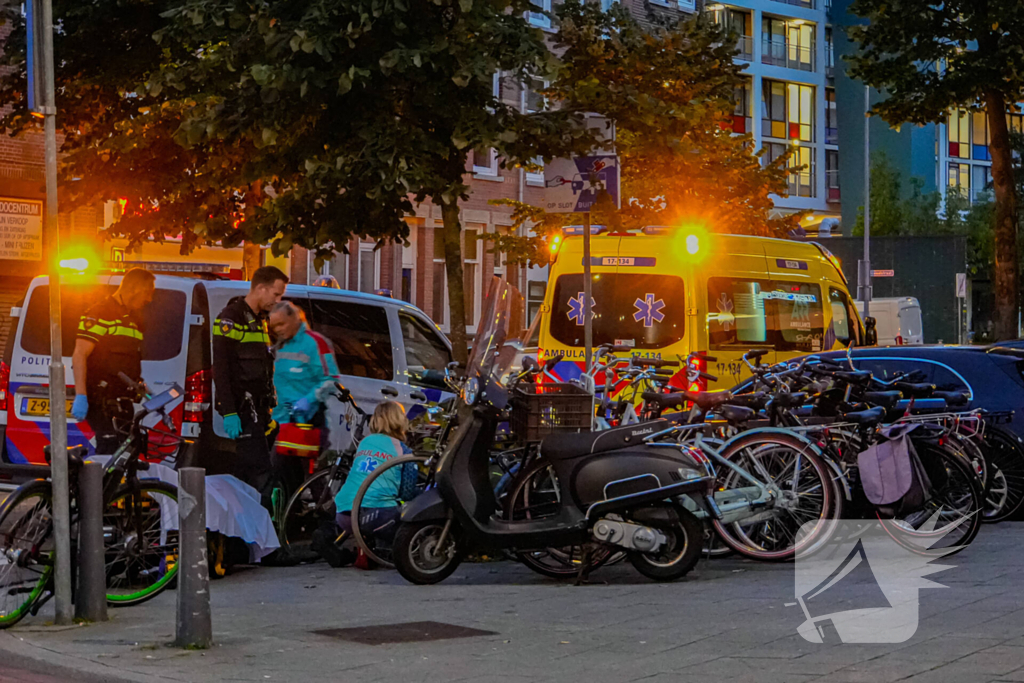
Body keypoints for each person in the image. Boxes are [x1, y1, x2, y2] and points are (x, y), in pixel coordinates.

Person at [315, 401, 418, 568]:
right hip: (375, 517)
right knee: (406, 513)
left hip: (344, 514)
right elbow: (406, 492)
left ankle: (344, 543)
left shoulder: (365, 442)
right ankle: (381, 551)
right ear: (400, 421)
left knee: (369, 495)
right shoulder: (403, 450)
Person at [212, 265, 288, 491]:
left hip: (259, 410)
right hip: (244, 409)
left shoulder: (259, 319)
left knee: (244, 474)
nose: (277, 300)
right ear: (261, 288)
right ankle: (264, 524)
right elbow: (221, 367)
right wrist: (229, 410)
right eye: (276, 294)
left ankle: (236, 522)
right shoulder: (231, 318)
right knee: (261, 472)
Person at [71, 268, 156, 454]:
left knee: (129, 450)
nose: (149, 299)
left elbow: (126, 360)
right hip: (101, 399)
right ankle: (98, 483)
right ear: (133, 289)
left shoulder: (135, 319)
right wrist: (81, 395)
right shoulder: (100, 312)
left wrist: (140, 384)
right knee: (109, 448)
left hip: (123, 400)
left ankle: (118, 484)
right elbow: (79, 354)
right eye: (147, 292)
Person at [268, 301, 340, 497]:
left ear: (294, 319)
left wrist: (309, 400)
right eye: (274, 326)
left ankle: (327, 521)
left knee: (312, 480)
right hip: (281, 423)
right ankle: (293, 522)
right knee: (287, 481)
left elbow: (330, 379)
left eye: (281, 324)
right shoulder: (279, 347)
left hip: (307, 425)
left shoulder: (315, 343)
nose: (278, 330)